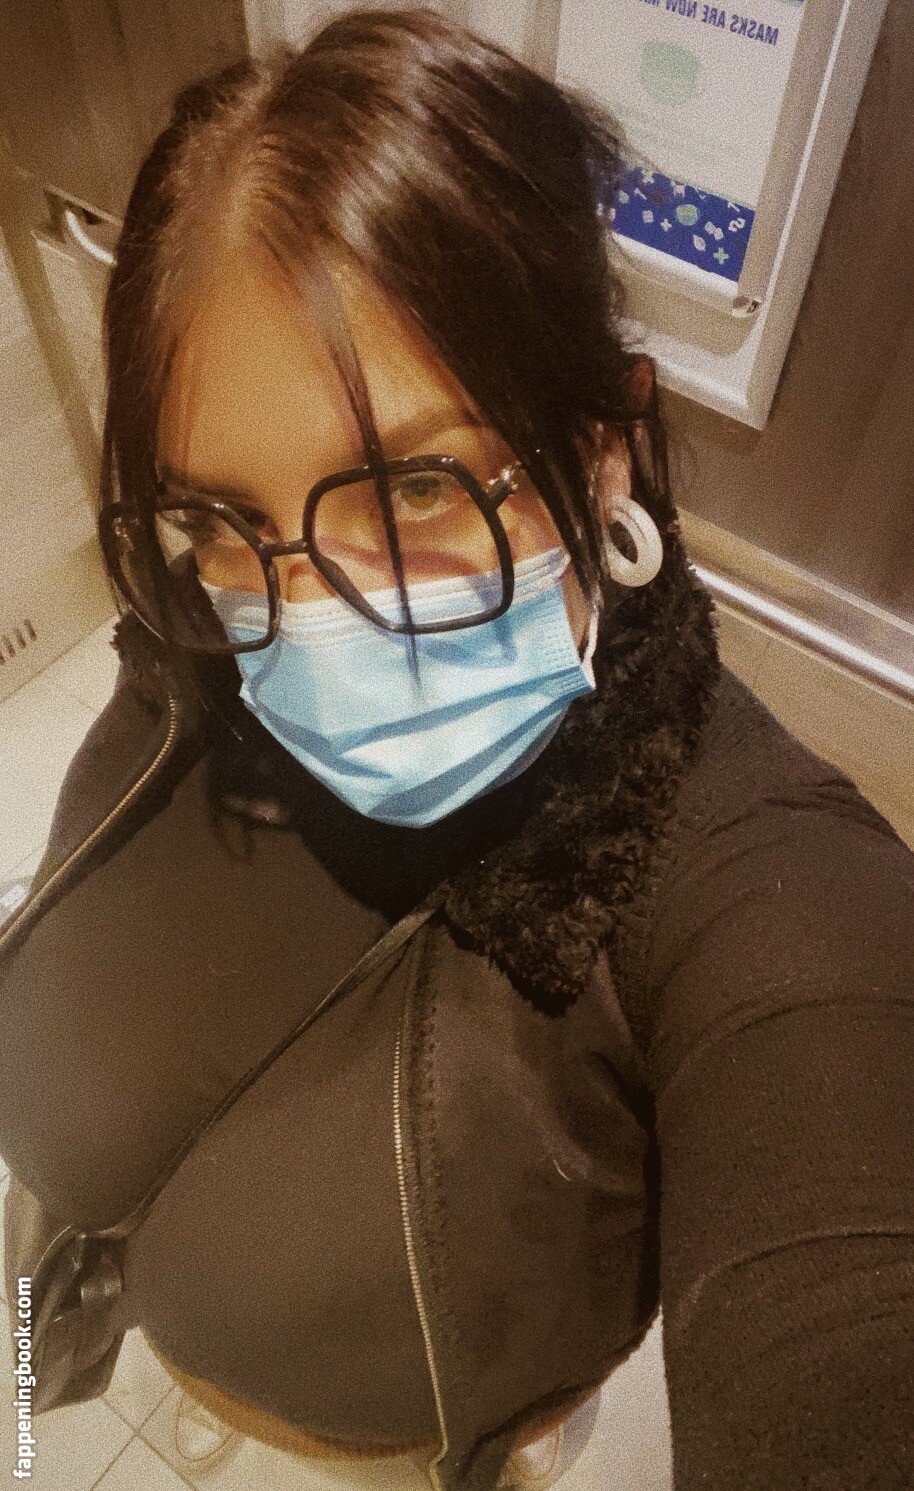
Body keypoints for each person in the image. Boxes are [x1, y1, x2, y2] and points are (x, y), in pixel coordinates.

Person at [2, 9, 913, 1490]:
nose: (313, 611)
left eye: (420, 486)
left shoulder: (756, 886)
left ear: (602, 445)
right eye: (223, 516)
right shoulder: (204, 632)